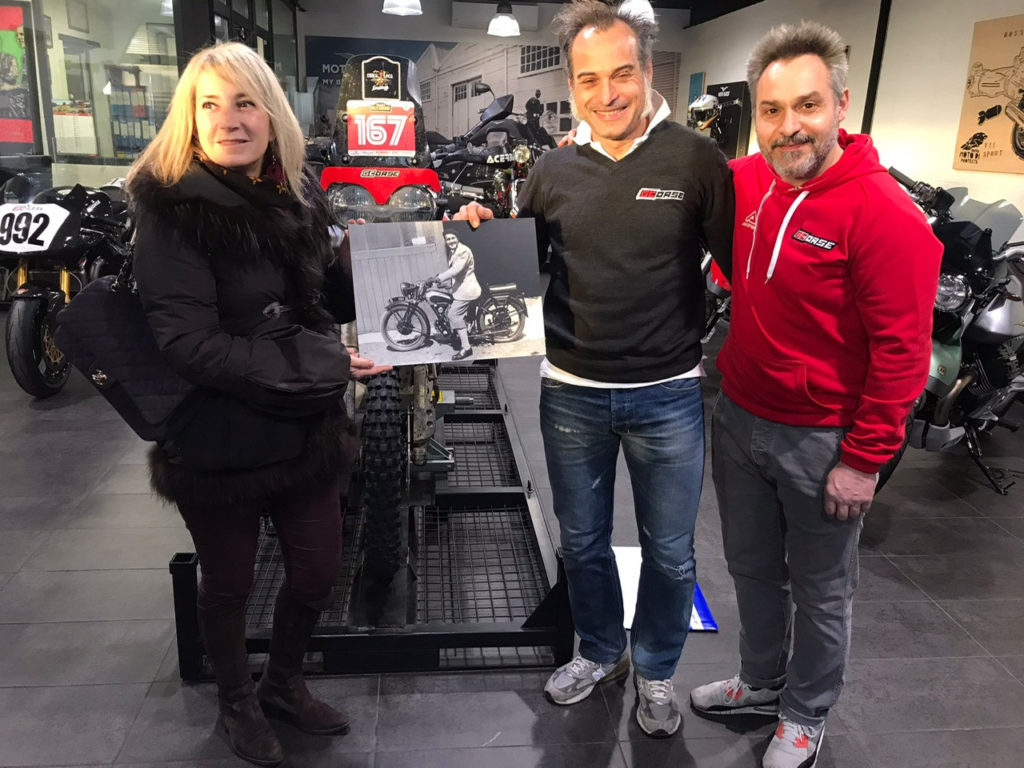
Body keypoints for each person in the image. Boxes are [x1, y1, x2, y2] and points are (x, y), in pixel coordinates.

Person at [457, 0, 733, 738]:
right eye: (588, 79)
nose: (606, 93)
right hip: (572, 393)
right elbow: (522, 275)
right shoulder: (549, 171)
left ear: (647, 71)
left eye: (621, 74)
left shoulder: (697, 161)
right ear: (572, 87)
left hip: (669, 395)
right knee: (580, 543)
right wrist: (485, 234)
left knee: (671, 554)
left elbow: (741, 270)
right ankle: (601, 651)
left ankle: (659, 669)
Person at [125, 42, 387, 767]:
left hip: (301, 426)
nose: (228, 120)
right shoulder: (173, 209)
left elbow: (321, 303)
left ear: (271, 114)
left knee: (315, 572)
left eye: (243, 102)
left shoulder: (294, 191)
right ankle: (238, 702)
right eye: (209, 104)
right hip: (218, 437)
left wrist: (349, 260)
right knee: (229, 583)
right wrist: (326, 361)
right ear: (189, 117)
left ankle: (283, 682)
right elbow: (191, 345)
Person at [687, 22, 942, 768]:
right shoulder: (746, 181)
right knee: (752, 569)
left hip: (823, 437)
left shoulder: (886, 215)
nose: (788, 127)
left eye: (806, 106)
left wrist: (863, 461)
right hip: (739, 417)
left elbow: (904, 353)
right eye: (771, 111)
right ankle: (762, 682)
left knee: (823, 591)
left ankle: (805, 713)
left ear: (840, 104)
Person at [433, 229, 481, 360]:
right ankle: (460, 333)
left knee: (453, 314)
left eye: (453, 238)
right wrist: (443, 280)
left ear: (457, 238)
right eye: (448, 239)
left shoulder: (463, 251)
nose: (451, 241)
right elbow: (457, 272)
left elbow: (456, 269)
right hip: (460, 287)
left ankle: (466, 348)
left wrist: (439, 278)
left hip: (467, 289)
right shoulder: (454, 251)